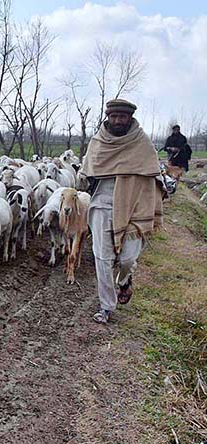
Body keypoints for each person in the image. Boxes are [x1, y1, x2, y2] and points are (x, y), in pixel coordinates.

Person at [81, 98, 164, 324]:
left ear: (129, 118)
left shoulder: (142, 143)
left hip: (134, 205)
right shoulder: (98, 142)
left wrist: (157, 195)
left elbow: (153, 174)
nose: (118, 120)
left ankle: (125, 279)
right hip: (102, 203)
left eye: (122, 117)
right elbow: (88, 170)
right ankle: (106, 306)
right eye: (114, 117)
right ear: (108, 117)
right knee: (102, 257)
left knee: (128, 258)